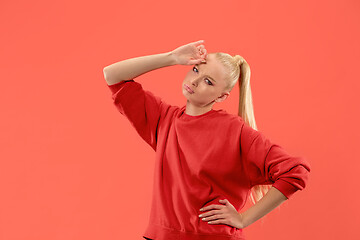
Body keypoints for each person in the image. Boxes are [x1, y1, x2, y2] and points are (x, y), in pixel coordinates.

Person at [103, 40, 311, 240]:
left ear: (221, 96)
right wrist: (172, 57)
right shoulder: (163, 119)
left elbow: (295, 171)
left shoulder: (235, 130)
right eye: (196, 70)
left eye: (208, 81)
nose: (194, 81)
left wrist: (243, 219)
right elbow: (112, 75)